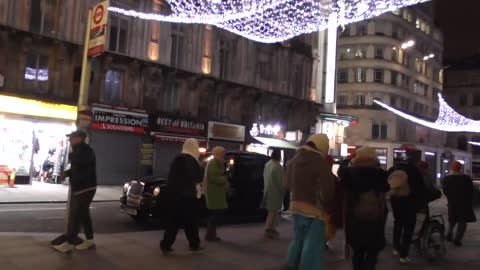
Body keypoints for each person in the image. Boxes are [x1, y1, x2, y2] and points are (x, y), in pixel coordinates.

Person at [284, 134, 336, 270]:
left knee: (298, 239)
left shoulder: (294, 160)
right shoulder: (320, 162)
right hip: (315, 210)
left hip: (295, 206)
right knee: (312, 245)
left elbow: (287, 184)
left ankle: (291, 265)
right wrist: (327, 204)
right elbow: (327, 189)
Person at [342, 146, 389, 270]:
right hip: (375, 218)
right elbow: (385, 191)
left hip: (354, 217)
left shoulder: (348, 173)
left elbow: (343, 194)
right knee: (372, 251)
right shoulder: (380, 174)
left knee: (357, 251)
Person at [53, 130, 97, 253]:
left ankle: (70, 244)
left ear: (79, 138)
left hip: (85, 188)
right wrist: (66, 173)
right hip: (82, 188)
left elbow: (82, 163)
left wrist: (72, 155)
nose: (69, 140)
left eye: (71, 138)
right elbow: (77, 168)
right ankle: (89, 241)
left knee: (76, 216)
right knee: (84, 215)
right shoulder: (79, 151)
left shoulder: (86, 151)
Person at [160, 138, 204, 254]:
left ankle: (165, 245)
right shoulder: (191, 160)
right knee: (190, 222)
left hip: (174, 195)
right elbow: (196, 178)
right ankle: (194, 244)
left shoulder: (177, 159)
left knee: (173, 222)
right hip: (187, 196)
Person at [388, 150, 427, 264]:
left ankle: (395, 248)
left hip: (395, 200)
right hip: (409, 202)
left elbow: (388, 183)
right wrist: (420, 203)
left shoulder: (395, 168)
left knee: (398, 223)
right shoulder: (414, 170)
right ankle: (403, 255)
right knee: (408, 227)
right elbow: (420, 188)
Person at [442, 161, 477, 246]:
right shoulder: (466, 178)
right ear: (460, 168)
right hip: (464, 204)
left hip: (452, 203)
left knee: (452, 219)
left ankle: (449, 234)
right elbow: (471, 191)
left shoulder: (447, 179)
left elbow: (445, 191)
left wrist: (450, 199)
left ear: (452, 168)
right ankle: (457, 239)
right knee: (462, 222)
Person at [203, 146, 228, 242]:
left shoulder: (218, 162)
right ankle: (210, 235)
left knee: (216, 214)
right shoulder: (214, 163)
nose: (224, 154)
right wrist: (224, 179)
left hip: (217, 192)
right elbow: (213, 177)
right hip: (213, 193)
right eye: (222, 152)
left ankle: (211, 235)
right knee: (215, 215)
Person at [263, 149, 285, 239]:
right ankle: (269, 229)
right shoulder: (278, 167)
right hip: (275, 192)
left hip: (267, 189)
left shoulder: (268, 164)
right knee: (273, 212)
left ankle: (271, 228)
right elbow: (280, 182)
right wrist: (283, 190)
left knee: (271, 211)